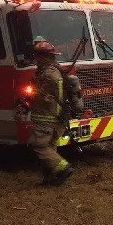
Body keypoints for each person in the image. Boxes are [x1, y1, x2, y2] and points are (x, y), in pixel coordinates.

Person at [29, 39, 74, 185]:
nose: (35, 60)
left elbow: (42, 97)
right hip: (57, 117)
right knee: (50, 147)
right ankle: (50, 177)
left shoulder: (48, 75)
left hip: (47, 117)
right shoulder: (56, 70)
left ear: (42, 57)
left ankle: (63, 168)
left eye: (37, 56)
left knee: (39, 146)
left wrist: (29, 94)